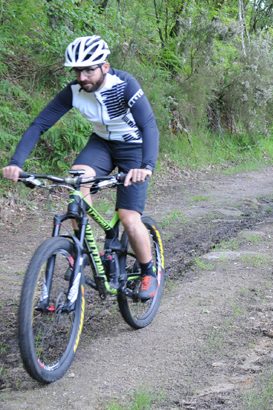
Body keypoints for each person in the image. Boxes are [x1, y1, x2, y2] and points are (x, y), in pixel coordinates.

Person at [2, 35, 160, 300]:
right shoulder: (74, 91)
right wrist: (16, 163)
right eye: (78, 70)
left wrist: (146, 166)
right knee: (76, 185)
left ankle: (148, 272)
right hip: (101, 144)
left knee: (129, 217)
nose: (83, 76)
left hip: (134, 147)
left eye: (89, 69)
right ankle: (83, 249)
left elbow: (149, 126)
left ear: (105, 67)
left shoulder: (124, 85)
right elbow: (39, 125)